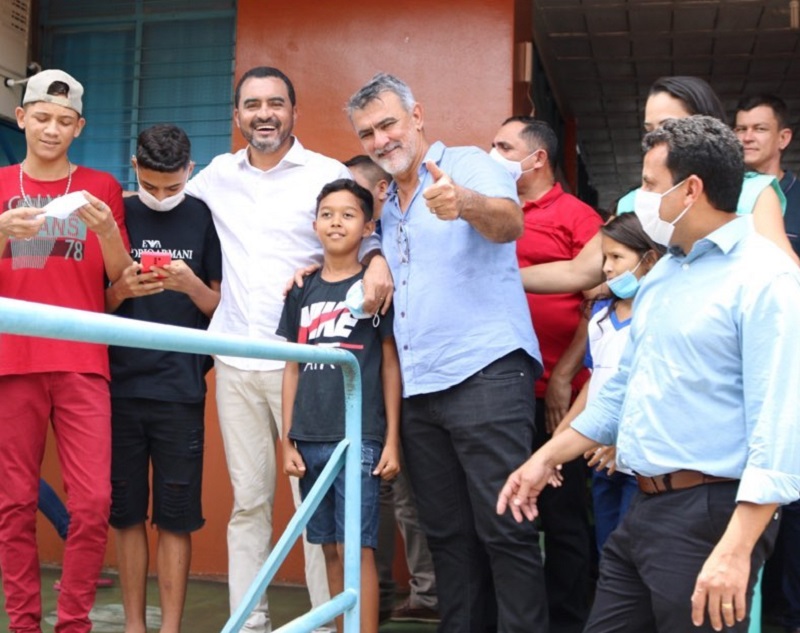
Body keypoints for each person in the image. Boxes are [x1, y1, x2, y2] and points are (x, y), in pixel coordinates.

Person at [498, 115, 800, 632]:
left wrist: (736, 548)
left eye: (650, 183)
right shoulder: (663, 276)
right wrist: (544, 459)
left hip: (710, 514)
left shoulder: (765, 280)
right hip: (644, 507)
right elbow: (619, 391)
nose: (639, 197)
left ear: (691, 190)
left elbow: (782, 425)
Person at [183, 66, 392, 633]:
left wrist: (376, 259)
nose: (264, 114)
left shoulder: (325, 173)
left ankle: (326, 624)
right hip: (234, 359)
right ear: (237, 116)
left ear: (294, 112)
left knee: (315, 508)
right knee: (248, 503)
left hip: (305, 366)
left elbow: (367, 228)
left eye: (275, 103)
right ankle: (248, 622)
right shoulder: (217, 175)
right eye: (252, 104)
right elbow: (163, 200)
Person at [346, 72, 547, 633]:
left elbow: (509, 223)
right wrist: (372, 254)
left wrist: (466, 203)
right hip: (419, 389)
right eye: (367, 133)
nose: (381, 140)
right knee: (447, 538)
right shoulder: (388, 201)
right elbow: (370, 235)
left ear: (417, 116)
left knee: (505, 528)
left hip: (486, 373)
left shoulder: (466, 165)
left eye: (388, 124)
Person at [0, 68, 131, 633]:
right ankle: (24, 624)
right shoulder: (0, 184)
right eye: (42, 118)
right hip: (11, 361)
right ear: (22, 118)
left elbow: (120, 279)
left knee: (94, 502)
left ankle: (73, 621)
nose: (51, 129)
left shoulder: (101, 187)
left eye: (64, 120)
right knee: (12, 504)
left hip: (83, 360)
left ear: (79, 127)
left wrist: (107, 232)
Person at [520, 75, 797, 296]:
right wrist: (503, 278)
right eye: (649, 129)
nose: (656, 138)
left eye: (667, 125)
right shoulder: (637, 201)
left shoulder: (753, 192)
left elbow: (784, 270)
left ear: (704, 124)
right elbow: (578, 272)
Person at [105, 124, 222, 633]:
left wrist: (190, 284)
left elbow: (219, 308)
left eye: (172, 186)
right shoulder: (117, 214)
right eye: (149, 185)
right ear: (134, 167)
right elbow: (92, 306)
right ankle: (135, 625)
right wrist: (121, 289)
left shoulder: (202, 216)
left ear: (190, 171)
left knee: (177, 515)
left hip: (180, 389)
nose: (160, 195)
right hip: (119, 386)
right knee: (126, 512)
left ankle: (170, 627)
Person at [490, 115, 600, 633]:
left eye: (503, 146)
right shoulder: (493, 211)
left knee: (562, 518)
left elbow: (597, 302)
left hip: (558, 399)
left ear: (536, 158)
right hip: (497, 393)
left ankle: (568, 621)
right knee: (503, 514)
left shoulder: (578, 216)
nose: (492, 154)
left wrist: (563, 378)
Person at [279, 178, 401, 633]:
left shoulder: (374, 287)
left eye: (348, 215)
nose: (335, 222)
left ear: (367, 227)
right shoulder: (301, 288)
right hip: (309, 437)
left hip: (358, 438)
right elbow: (292, 366)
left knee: (357, 548)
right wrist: (287, 438)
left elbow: (389, 364)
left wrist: (391, 439)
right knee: (329, 547)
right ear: (314, 224)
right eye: (327, 214)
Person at [345, 154, 439, 623]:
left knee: (411, 494)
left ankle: (429, 594)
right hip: (365, 384)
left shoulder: (410, 229)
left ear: (381, 191)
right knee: (375, 492)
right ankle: (375, 594)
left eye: (356, 191)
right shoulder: (360, 240)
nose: (346, 203)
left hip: (416, 380)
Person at [553, 212, 664, 553]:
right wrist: (558, 442)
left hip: (640, 464)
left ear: (649, 259)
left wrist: (622, 444)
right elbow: (595, 383)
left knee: (634, 553)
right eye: (605, 258)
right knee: (607, 551)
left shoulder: (660, 315)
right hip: (600, 460)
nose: (607, 268)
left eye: (617, 257)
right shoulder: (600, 315)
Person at [734, 94, 800, 633]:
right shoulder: (724, 197)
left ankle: (787, 614)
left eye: (759, 128)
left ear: (783, 137)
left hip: (791, 358)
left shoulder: (794, 198)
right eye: (740, 129)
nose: (747, 138)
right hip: (740, 365)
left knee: (790, 492)